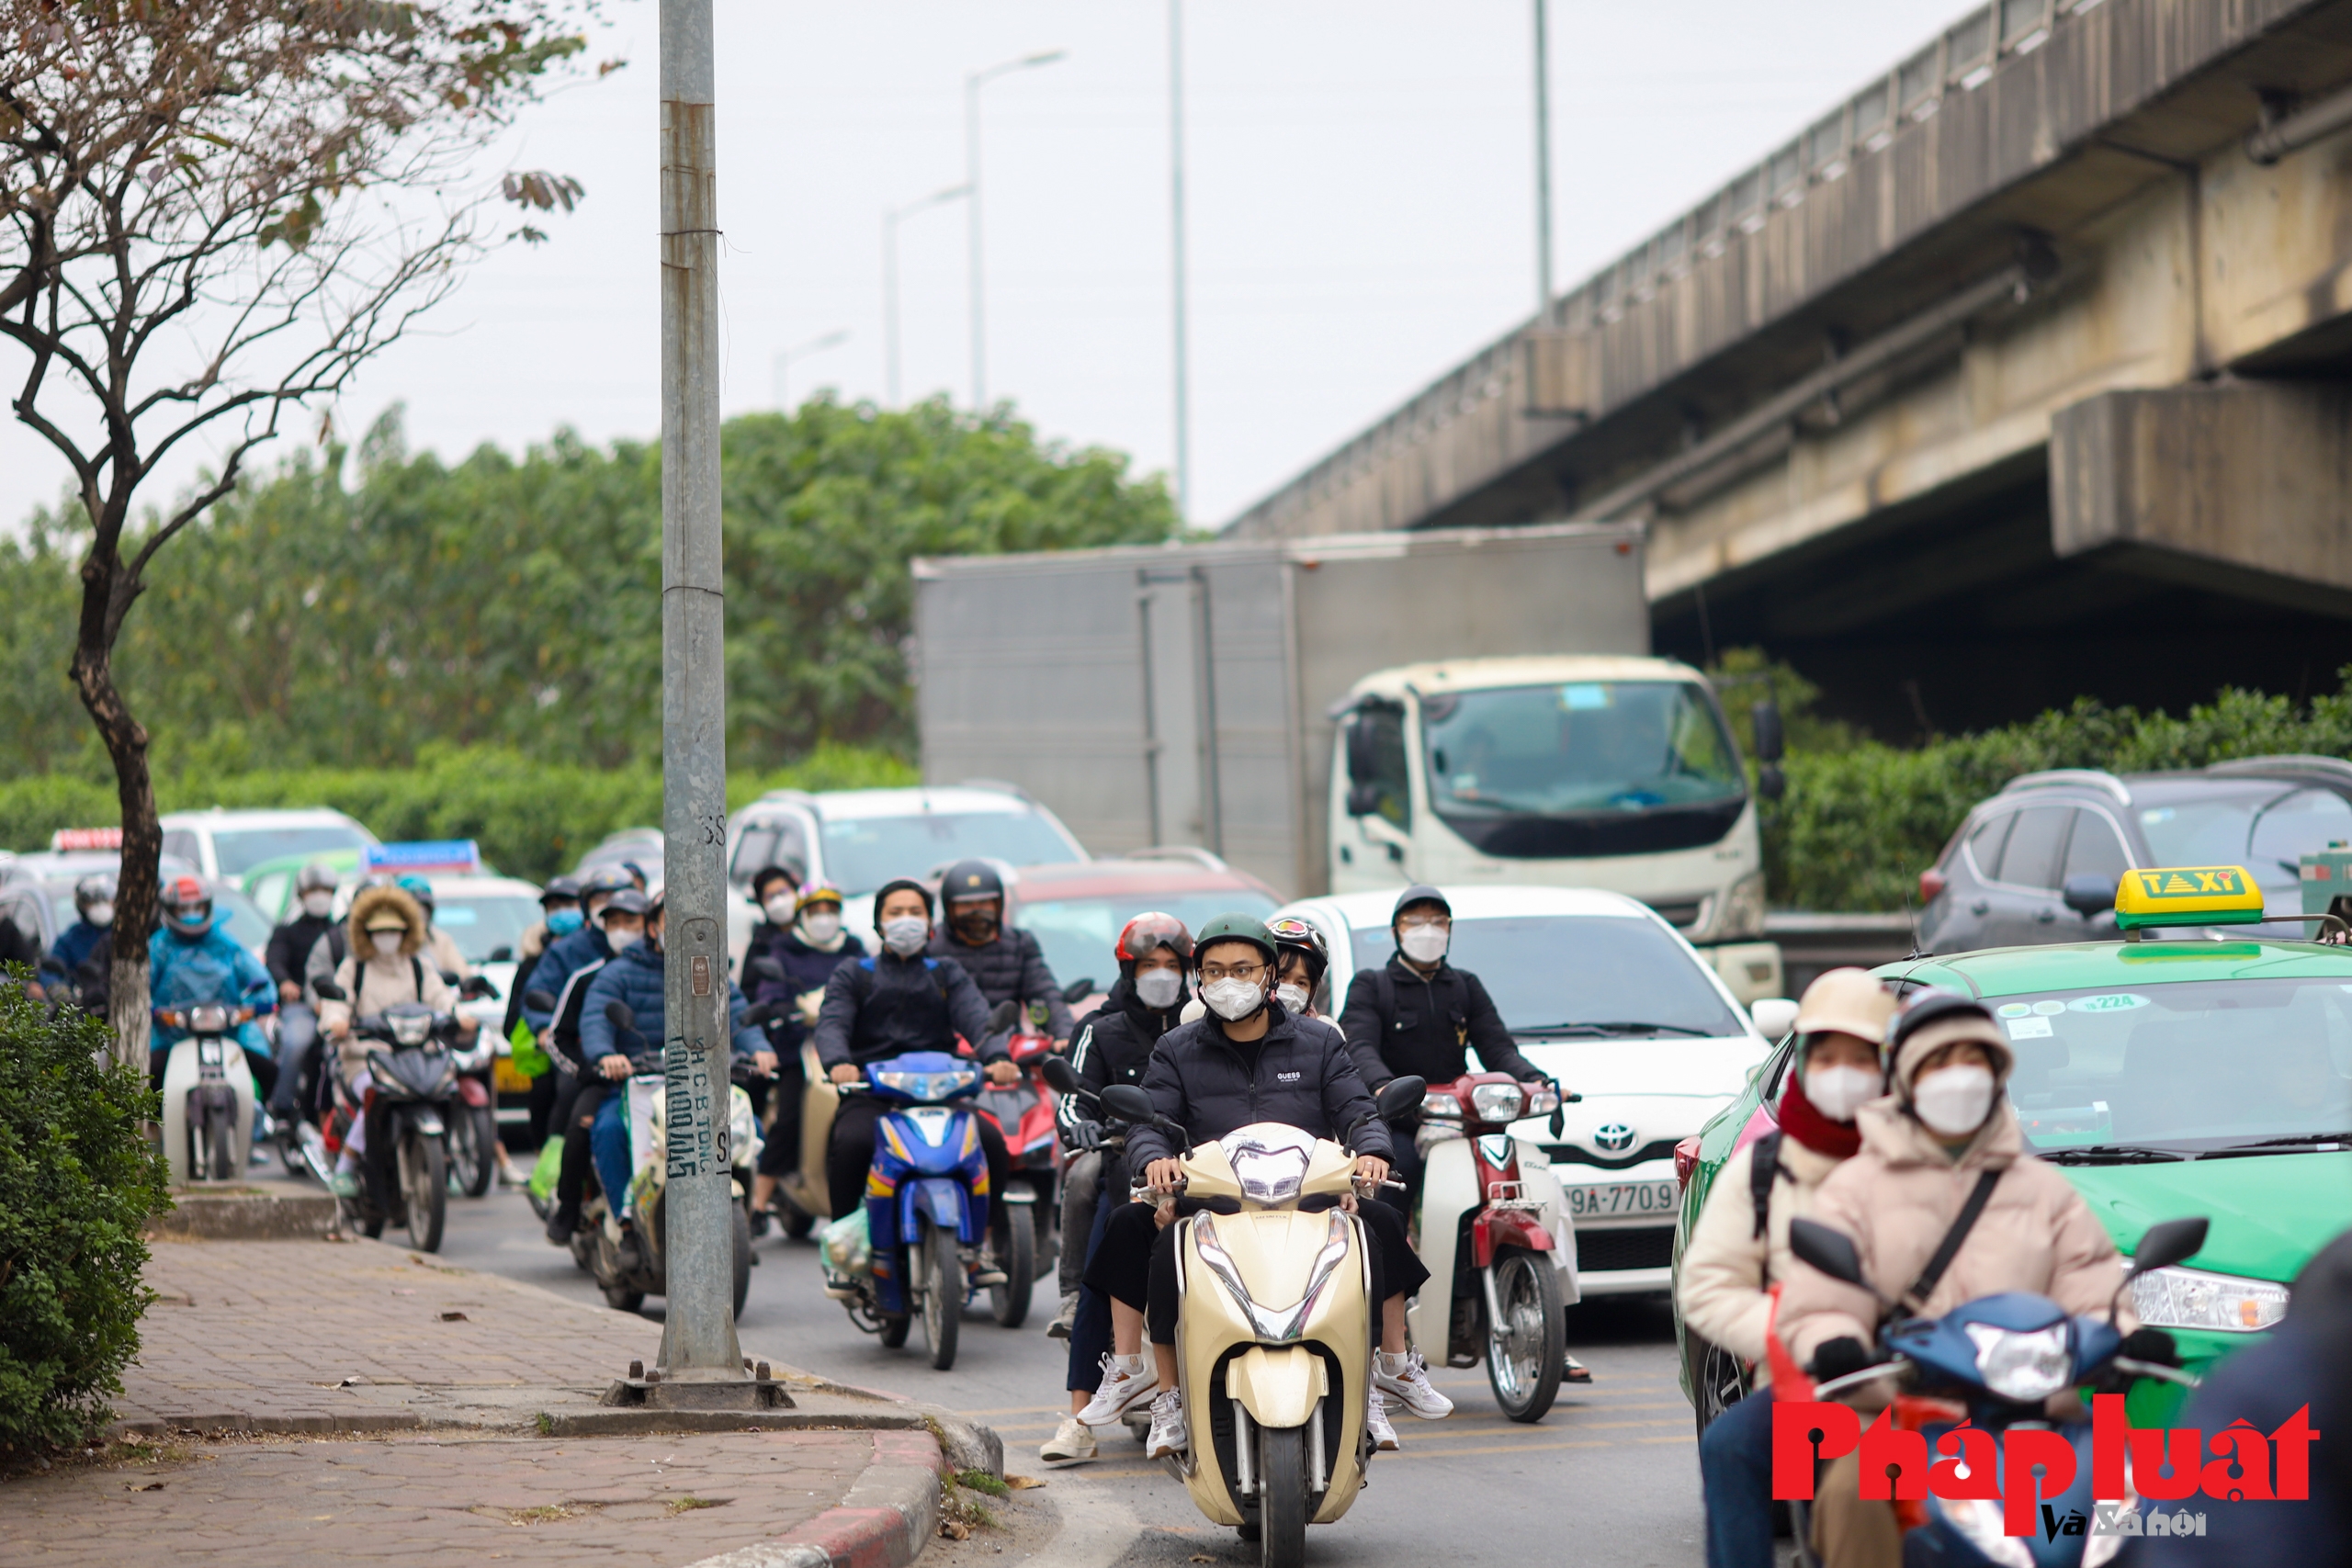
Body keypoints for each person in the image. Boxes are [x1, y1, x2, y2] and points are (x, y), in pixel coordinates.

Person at [1776, 988, 2169, 1568]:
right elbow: (1819, 1303)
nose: (1957, 1079)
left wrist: (2125, 1332)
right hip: (1906, 1413)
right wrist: (1835, 1343)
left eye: (1973, 1061)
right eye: (1939, 1063)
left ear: (1996, 1075)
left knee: (2150, 1504)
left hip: (2041, 1418)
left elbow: (2091, 1286)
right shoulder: (1854, 1190)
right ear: (1907, 1080)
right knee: (1853, 1495)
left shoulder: (2043, 1189)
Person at [1076, 914, 1443, 1462]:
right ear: (1198, 979)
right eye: (1215, 970)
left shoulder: (1319, 1043)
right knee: (1133, 1225)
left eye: (1243, 969)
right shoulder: (1175, 1049)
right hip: (1212, 1203)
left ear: (1270, 973)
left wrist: (1370, 1152)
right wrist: (1154, 1162)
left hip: (1309, 1200)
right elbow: (1150, 1121)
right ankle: (1156, 1388)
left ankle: (1380, 1376)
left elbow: (1358, 1109)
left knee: (1380, 1224)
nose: (1230, 982)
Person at [1675, 969, 1896, 1568]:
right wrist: (1792, 1336)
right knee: (1730, 1446)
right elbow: (1708, 1285)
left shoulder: (1918, 1160)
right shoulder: (1765, 1168)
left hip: (1921, 1375)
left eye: (1860, 1055)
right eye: (1828, 1055)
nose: (1844, 1070)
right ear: (1803, 1059)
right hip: (1811, 1383)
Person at [1038, 911, 1193, 1467]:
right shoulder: (1100, 1030)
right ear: (1129, 970)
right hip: (1126, 1173)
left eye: (1172, 966)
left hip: (1204, 1174)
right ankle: (1079, 1417)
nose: (1161, 975)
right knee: (1102, 1284)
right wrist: (1079, 1126)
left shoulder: (1202, 1026)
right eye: (1149, 965)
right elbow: (1075, 1096)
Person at [813, 877, 1022, 1280]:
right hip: (872, 1093)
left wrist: (997, 1056)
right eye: (895, 913)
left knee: (992, 1141)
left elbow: (978, 1017)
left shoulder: (947, 973)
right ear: (878, 924)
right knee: (851, 1142)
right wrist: (839, 1062)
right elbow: (832, 1022)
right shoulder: (854, 973)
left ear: (930, 924)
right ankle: (845, 1248)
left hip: (941, 1092)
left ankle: (978, 1247)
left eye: (915, 912)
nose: (906, 920)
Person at [1336, 886, 1549, 1220]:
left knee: (1513, 1170)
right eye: (1415, 921)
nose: (1428, 930)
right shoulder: (1373, 986)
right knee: (1394, 1183)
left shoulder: (1464, 986)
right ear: (1396, 931)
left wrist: (1535, 1080)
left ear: (1449, 929)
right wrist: (1384, 1087)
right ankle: (1393, 1259)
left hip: (1462, 1117)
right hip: (1401, 1119)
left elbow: (1497, 1047)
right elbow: (1359, 1047)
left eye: (1438, 921)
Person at [577, 890, 773, 1237]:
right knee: (607, 1130)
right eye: (671, 920)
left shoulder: (709, 970)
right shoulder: (618, 973)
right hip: (636, 1083)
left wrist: (758, 1048)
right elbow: (596, 1018)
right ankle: (625, 1217)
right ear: (653, 928)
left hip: (700, 1085)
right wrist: (607, 1055)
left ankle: (737, 1215)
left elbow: (738, 1014)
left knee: (749, 1123)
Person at [319, 884, 475, 1201]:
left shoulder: (418, 965)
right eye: (380, 931)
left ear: (408, 931)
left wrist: (460, 1015)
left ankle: (447, 1160)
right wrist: (337, 1021)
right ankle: (347, 1164)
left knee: (447, 1089)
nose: (387, 937)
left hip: (417, 1055)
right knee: (372, 1098)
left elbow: (440, 997)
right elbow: (337, 1003)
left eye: (394, 930)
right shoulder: (354, 968)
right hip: (366, 1058)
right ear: (365, 933)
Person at [743, 873, 864, 1232]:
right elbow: (769, 993)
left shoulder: (853, 950)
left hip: (849, 1049)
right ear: (803, 915)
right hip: (799, 1049)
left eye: (831, 909)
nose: (824, 917)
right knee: (791, 1117)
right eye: (816, 910)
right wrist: (781, 1009)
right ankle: (759, 1203)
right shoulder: (783, 950)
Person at [541, 886, 646, 1243]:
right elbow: (558, 1038)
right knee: (583, 1128)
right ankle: (569, 1206)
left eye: (629, 921)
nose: (621, 929)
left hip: (658, 1078)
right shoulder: (587, 978)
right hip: (602, 1081)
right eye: (613, 922)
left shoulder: (671, 972)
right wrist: (591, 1068)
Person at [149, 875, 278, 1104]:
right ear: (169, 910)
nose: (192, 914)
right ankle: (153, 1129)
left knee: (268, 1071)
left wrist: (261, 1000)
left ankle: (267, 1117)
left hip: (228, 1030)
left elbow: (258, 978)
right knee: (149, 1073)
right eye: (184, 909)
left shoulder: (226, 944)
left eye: (197, 907)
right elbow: (142, 986)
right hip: (172, 1034)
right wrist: (150, 1010)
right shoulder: (159, 946)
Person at [928, 859, 1074, 1046]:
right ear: (949, 908)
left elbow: (1044, 992)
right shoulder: (931, 948)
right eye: (966, 905)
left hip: (1010, 1050)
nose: (976, 912)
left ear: (999, 905)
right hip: (950, 1054)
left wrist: (1063, 1033)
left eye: (984, 903)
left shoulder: (1019, 943)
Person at [503, 875, 582, 1148]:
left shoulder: (595, 952)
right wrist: (542, 1030)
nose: (561, 912)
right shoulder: (532, 965)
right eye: (554, 906)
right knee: (545, 1091)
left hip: (591, 1044)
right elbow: (514, 1018)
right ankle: (549, 1160)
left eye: (568, 903)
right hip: (552, 1051)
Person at [264, 863, 339, 1125]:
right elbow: (274, 961)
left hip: (336, 1006)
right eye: (314, 890)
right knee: (296, 1043)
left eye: (326, 890)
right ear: (302, 894)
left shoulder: (339, 932)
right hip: (302, 1007)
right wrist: (285, 982)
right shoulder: (287, 931)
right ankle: (281, 1107)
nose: (320, 895)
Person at [39, 873, 116, 1013]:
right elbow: (50, 969)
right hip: (83, 1010)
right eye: (92, 902)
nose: (100, 906)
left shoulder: (126, 937)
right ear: (81, 905)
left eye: (105, 900)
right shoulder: (70, 939)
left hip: (119, 1005)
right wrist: (57, 988)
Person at [396, 874, 472, 983]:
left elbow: (461, 971)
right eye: (414, 909)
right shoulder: (390, 941)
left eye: (424, 908)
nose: (420, 914)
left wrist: (469, 982)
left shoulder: (440, 940)